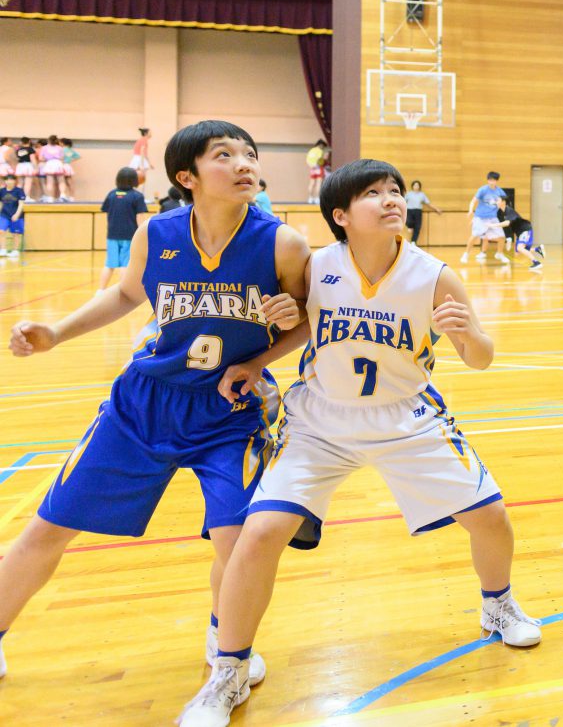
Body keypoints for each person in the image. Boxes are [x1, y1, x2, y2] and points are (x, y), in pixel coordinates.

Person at [177, 159, 539, 726]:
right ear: (341, 215)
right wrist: (258, 355)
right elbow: (297, 324)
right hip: (321, 419)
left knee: (492, 517)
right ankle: (229, 670)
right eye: (373, 193)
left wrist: (472, 337)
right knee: (260, 531)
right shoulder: (315, 267)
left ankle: (497, 605)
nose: (391, 199)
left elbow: (481, 357)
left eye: (395, 190)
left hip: (408, 418)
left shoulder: (435, 274)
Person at [1, 120, 306, 687]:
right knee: (49, 526)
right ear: (187, 176)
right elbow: (124, 293)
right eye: (224, 155)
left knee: (236, 540)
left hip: (231, 411)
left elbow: (307, 317)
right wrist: (56, 333)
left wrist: (263, 357)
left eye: (250, 154)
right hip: (143, 405)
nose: (244, 163)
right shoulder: (157, 233)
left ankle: (225, 636)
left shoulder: (282, 243)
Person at [98, 167, 148, 289]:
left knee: (109, 265)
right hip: (129, 235)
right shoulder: (137, 196)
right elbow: (140, 217)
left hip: (112, 234)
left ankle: (100, 291)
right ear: (135, 180)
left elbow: (107, 213)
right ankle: (122, 290)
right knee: (125, 264)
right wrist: (142, 234)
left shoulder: (111, 194)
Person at [461, 171, 510, 266]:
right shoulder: (483, 190)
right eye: (490, 180)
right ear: (488, 180)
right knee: (475, 235)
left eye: (494, 180)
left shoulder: (500, 191)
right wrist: (471, 210)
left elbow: (504, 203)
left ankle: (499, 254)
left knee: (502, 237)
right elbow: (473, 201)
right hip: (480, 217)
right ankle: (466, 254)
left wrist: (503, 207)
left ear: (496, 181)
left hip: (492, 218)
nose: (492, 182)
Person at [499, 198, 543, 271]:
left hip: (525, 230)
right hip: (520, 232)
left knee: (520, 248)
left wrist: (492, 225)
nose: (496, 202)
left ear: (503, 202)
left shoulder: (509, 210)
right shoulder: (505, 213)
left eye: (497, 200)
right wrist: (512, 239)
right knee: (518, 251)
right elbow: (513, 226)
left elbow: (507, 223)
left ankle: (536, 262)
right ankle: (537, 249)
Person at [404, 179, 442, 244]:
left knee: (418, 227)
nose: (416, 186)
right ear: (412, 186)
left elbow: (428, 203)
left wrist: (436, 209)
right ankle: (410, 227)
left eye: (417, 185)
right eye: (415, 185)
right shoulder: (409, 194)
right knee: (409, 222)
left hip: (418, 211)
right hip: (409, 210)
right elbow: (403, 202)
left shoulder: (422, 195)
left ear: (419, 186)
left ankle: (413, 242)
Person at [0, 174, 24, 260]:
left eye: (11, 180)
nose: (9, 181)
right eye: (7, 180)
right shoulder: (2, 191)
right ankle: (3, 249)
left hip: (16, 215)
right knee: (1, 231)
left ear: (15, 181)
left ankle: (15, 250)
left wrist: (17, 214)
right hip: (4, 215)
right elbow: (1, 203)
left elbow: (21, 204)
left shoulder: (19, 191)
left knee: (15, 234)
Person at [37, 136, 65, 203]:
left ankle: (50, 197)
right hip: (58, 163)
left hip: (49, 163)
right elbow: (62, 158)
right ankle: (63, 195)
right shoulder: (60, 148)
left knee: (49, 182)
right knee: (61, 181)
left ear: (48, 140)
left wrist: (47, 159)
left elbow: (40, 158)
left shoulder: (44, 148)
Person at [15, 137, 38, 202]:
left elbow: (17, 159)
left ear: (21, 142)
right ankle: (26, 197)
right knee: (28, 182)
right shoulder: (30, 149)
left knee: (20, 183)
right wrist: (36, 168)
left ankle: (18, 197)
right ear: (29, 141)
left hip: (20, 166)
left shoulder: (18, 150)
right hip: (28, 165)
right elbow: (33, 159)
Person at [129, 128, 152, 193]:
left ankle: (138, 193)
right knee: (141, 178)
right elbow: (142, 152)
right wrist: (142, 164)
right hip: (139, 159)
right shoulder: (144, 140)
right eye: (150, 132)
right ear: (146, 133)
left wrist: (149, 163)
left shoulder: (140, 140)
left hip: (137, 158)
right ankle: (141, 194)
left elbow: (144, 153)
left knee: (137, 177)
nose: (151, 134)